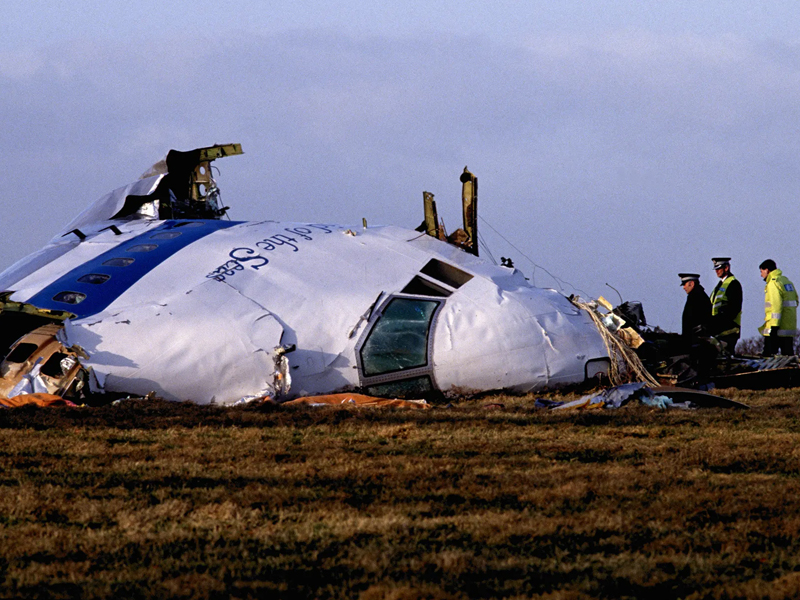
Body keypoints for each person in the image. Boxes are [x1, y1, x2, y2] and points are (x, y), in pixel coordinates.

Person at [759, 259, 798, 356]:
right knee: (788, 358)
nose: (761, 275)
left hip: (776, 329)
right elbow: (796, 301)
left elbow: (776, 305)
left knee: (768, 358)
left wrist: (774, 327)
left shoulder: (773, 283)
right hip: (788, 327)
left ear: (767, 270)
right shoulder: (786, 281)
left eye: (761, 271)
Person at [709, 257, 742, 354]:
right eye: (716, 269)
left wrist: (719, 321)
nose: (716, 271)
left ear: (726, 268)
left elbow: (734, 308)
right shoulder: (720, 285)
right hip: (719, 330)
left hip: (729, 330)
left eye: (719, 269)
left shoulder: (733, 284)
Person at [679, 273, 711, 339]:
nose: (684, 287)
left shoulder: (695, 297)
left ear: (692, 284)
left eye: (685, 284)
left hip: (696, 339)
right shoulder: (700, 295)